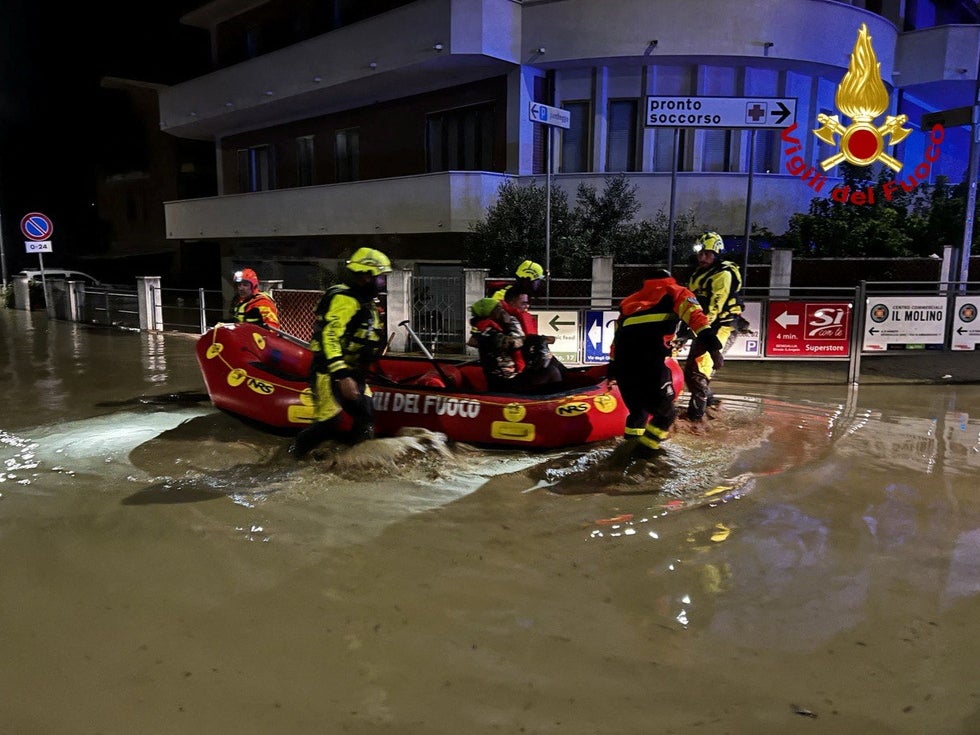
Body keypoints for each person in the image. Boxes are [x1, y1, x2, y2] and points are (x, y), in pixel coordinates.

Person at [607, 269, 724, 459]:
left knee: (638, 413)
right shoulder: (676, 292)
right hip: (650, 363)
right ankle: (644, 453)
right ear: (669, 279)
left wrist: (612, 370)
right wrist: (714, 349)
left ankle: (626, 450)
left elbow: (616, 339)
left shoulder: (628, 302)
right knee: (667, 414)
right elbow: (698, 320)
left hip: (623, 364)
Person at [289, 247, 392, 458]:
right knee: (329, 422)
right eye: (380, 277)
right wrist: (342, 375)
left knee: (366, 414)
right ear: (365, 276)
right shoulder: (345, 300)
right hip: (330, 371)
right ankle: (295, 454)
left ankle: (357, 460)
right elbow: (330, 337)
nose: (383, 282)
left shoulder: (365, 301)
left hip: (353, 370)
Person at [682, 232, 744, 422]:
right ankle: (712, 404)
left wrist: (690, 332)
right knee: (690, 372)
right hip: (704, 328)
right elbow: (689, 304)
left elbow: (714, 310)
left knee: (699, 372)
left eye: (707, 254)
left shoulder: (723, 275)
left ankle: (696, 421)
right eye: (700, 254)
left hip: (721, 328)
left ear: (717, 253)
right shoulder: (697, 274)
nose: (702, 258)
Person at [467, 297, 562, 393]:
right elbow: (514, 343)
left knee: (551, 362)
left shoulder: (495, 329)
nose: (503, 311)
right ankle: (555, 403)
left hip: (513, 378)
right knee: (551, 371)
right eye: (499, 308)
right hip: (503, 385)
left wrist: (540, 339)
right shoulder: (486, 332)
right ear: (491, 313)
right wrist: (509, 323)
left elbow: (520, 339)